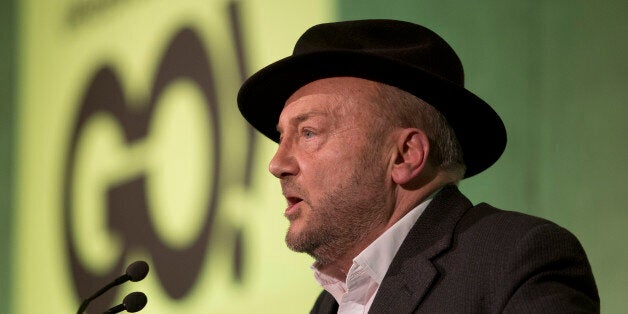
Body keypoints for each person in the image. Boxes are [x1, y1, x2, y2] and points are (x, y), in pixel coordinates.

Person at [237, 19, 599, 313]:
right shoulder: (329, 304)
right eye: (282, 136)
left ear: (406, 155)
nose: (277, 163)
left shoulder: (514, 260)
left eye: (309, 133)